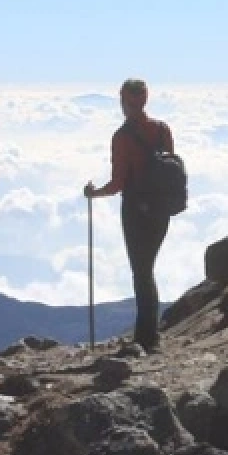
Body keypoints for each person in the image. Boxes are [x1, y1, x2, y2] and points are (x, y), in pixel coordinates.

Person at [84, 79, 175, 353]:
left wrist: (93, 193)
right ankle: (148, 334)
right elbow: (170, 168)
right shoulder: (162, 130)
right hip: (161, 209)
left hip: (135, 211)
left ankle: (146, 338)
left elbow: (117, 184)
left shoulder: (122, 137)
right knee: (147, 269)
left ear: (124, 101)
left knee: (141, 271)